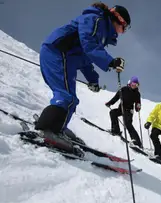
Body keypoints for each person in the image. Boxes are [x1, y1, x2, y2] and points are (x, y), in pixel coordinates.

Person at [35, 2, 131, 137]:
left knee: (70, 99)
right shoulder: (95, 19)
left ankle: (58, 128)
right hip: (58, 53)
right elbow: (88, 43)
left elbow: (85, 58)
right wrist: (110, 62)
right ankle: (47, 129)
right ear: (118, 19)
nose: (122, 32)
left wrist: (93, 80)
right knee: (66, 98)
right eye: (124, 27)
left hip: (66, 58)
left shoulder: (101, 30)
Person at [105, 76, 142, 148]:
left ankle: (137, 142)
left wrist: (138, 107)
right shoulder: (123, 89)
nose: (134, 86)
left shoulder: (137, 93)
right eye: (133, 84)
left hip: (129, 111)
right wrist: (110, 103)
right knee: (113, 113)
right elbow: (116, 97)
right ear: (130, 83)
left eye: (136, 85)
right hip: (121, 108)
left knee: (128, 124)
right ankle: (116, 130)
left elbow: (138, 103)